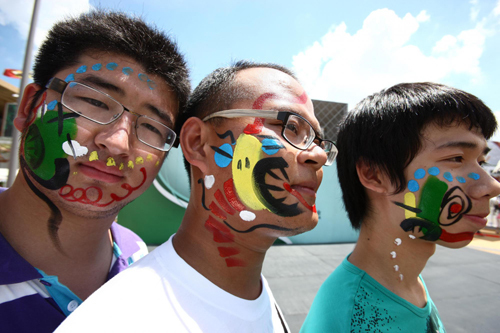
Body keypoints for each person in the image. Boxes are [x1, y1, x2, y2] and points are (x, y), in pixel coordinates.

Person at [54, 61, 337, 332]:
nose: (319, 155)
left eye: (317, 140)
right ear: (197, 143)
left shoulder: (254, 293)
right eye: (290, 127)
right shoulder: (116, 321)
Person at [0, 10, 190, 333]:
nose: (118, 142)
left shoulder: (138, 259)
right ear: (30, 106)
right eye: (95, 102)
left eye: (152, 127)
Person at [301, 82, 500, 332]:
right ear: (374, 175)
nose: (492, 185)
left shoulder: (404, 282)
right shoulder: (355, 320)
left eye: (481, 161)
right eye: (456, 158)